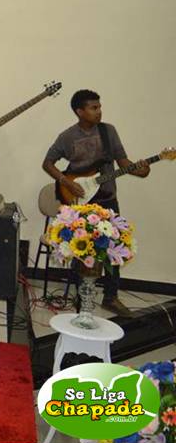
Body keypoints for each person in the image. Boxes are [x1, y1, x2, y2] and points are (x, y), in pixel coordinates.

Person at [42, 89, 149, 317]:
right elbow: (48, 163)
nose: (99, 111)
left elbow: (123, 162)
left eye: (99, 107)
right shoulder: (67, 136)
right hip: (80, 204)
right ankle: (82, 298)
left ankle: (111, 297)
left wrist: (140, 170)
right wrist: (66, 182)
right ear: (79, 111)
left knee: (114, 248)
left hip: (108, 199)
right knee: (80, 249)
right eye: (93, 108)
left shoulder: (108, 131)